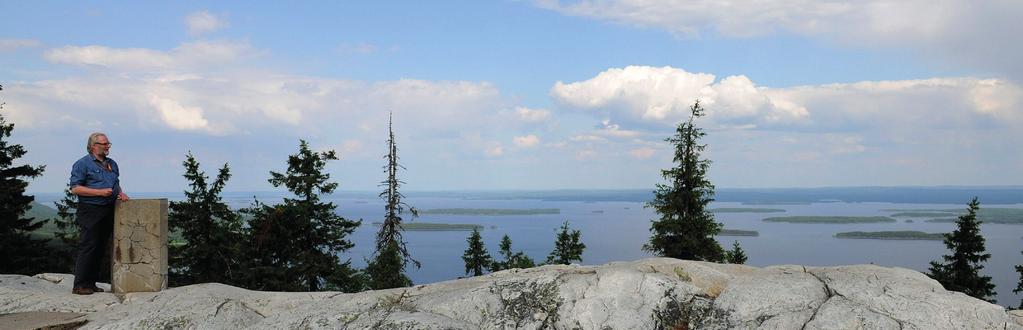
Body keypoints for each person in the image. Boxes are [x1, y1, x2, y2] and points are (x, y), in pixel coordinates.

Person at [69, 132, 129, 295]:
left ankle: (91, 283)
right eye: (104, 144)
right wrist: (99, 192)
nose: (108, 146)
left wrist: (120, 193)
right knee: (89, 246)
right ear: (94, 146)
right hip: (91, 209)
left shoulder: (112, 163)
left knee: (101, 247)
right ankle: (80, 285)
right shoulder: (83, 164)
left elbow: (115, 183)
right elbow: (75, 188)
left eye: (108, 143)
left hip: (109, 209)